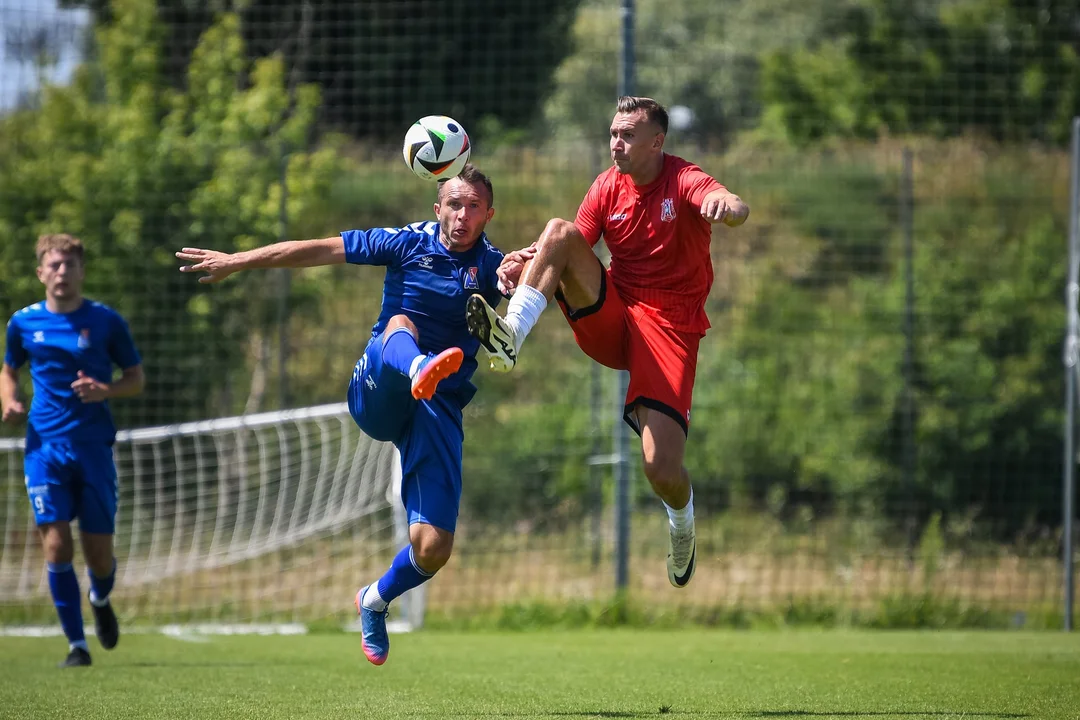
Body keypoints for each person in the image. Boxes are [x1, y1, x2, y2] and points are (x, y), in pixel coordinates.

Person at [176, 164, 519, 666]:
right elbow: (320, 249)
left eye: (473, 207)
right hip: (380, 386)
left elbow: (527, 285)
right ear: (437, 207)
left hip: (438, 404)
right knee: (400, 322)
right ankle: (418, 362)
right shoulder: (406, 242)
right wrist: (239, 261)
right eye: (453, 204)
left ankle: (374, 600)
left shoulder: (492, 264)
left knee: (433, 547)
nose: (461, 215)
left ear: (489, 213)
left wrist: (520, 281)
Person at [466, 97, 749, 589]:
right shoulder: (605, 185)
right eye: (613, 133)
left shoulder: (684, 179)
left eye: (628, 135)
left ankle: (682, 525)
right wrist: (522, 262)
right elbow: (566, 244)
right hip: (615, 314)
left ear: (656, 142)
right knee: (558, 229)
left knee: (660, 468)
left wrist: (728, 208)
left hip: (670, 329)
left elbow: (734, 205)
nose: (616, 143)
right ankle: (510, 334)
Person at [1, 234, 145, 668]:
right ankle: (76, 646)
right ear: (41, 272)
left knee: (98, 555)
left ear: (82, 271)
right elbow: (8, 369)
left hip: (94, 448)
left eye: (70, 265)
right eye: (54, 265)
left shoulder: (105, 321)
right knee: (56, 545)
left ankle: (100, 597)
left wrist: (106, 390)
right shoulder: (22, 323)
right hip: (44, 448)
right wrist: (8, 399)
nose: (62, 272)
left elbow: (136, 378)